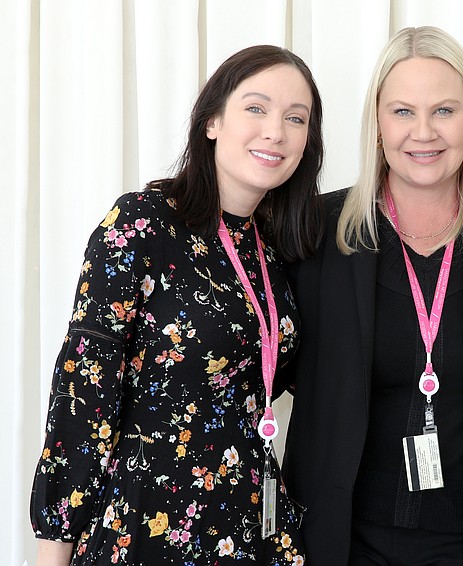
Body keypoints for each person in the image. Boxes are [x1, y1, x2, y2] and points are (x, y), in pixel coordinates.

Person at [30, 44, 323, 565]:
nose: (275, 131)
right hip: (148, 521)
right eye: (256, 108)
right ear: (212, 121)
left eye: (295, 118)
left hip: (252, 523)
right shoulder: (142, 223)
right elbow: (84, 390)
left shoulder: (279, 248)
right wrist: (53, 550)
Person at [279, 26, 463, 565]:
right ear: (377, 123)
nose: (424, 132)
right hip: (342, 540)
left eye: (444, 110)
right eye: (402, 112)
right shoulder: (313, 232)